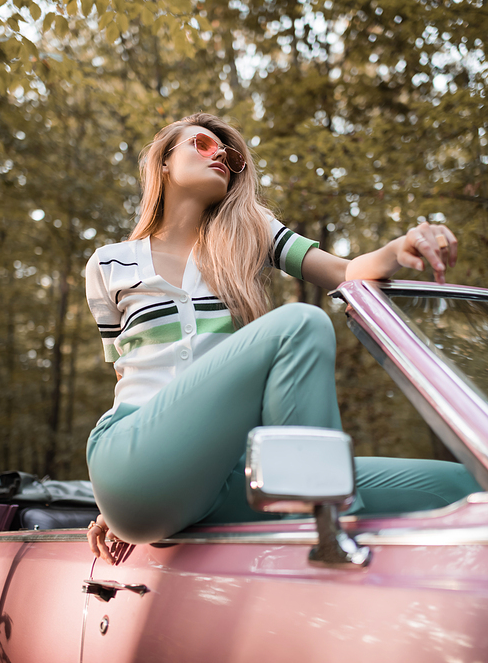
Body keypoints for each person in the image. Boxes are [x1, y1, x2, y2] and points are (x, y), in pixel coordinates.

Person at [85, 113, 479, 564]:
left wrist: (397, 249)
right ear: (165, 162)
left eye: (231, 157)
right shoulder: (110, 264)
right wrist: (111, 501)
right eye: (203, 145)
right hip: (131, 458)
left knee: (457, 486)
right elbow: (124, 377)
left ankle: (315, 507)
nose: (222, 160)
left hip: (225, 476)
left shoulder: (251, 231)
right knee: (301, 324)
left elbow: (344, 273)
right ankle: (326, 529)